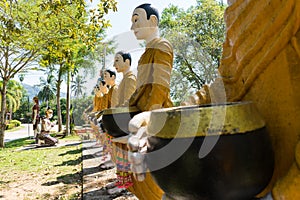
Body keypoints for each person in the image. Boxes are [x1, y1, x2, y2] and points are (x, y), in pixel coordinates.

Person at [126, 3, 174, 200]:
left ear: (152, 21)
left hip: (155, 117)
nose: (132, 27)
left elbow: (160, 87)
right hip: (140, 115)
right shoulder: (146, 53)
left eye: (136, 20)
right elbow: (141, 90)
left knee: (153, 177)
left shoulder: (162, 47)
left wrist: (151, 119)